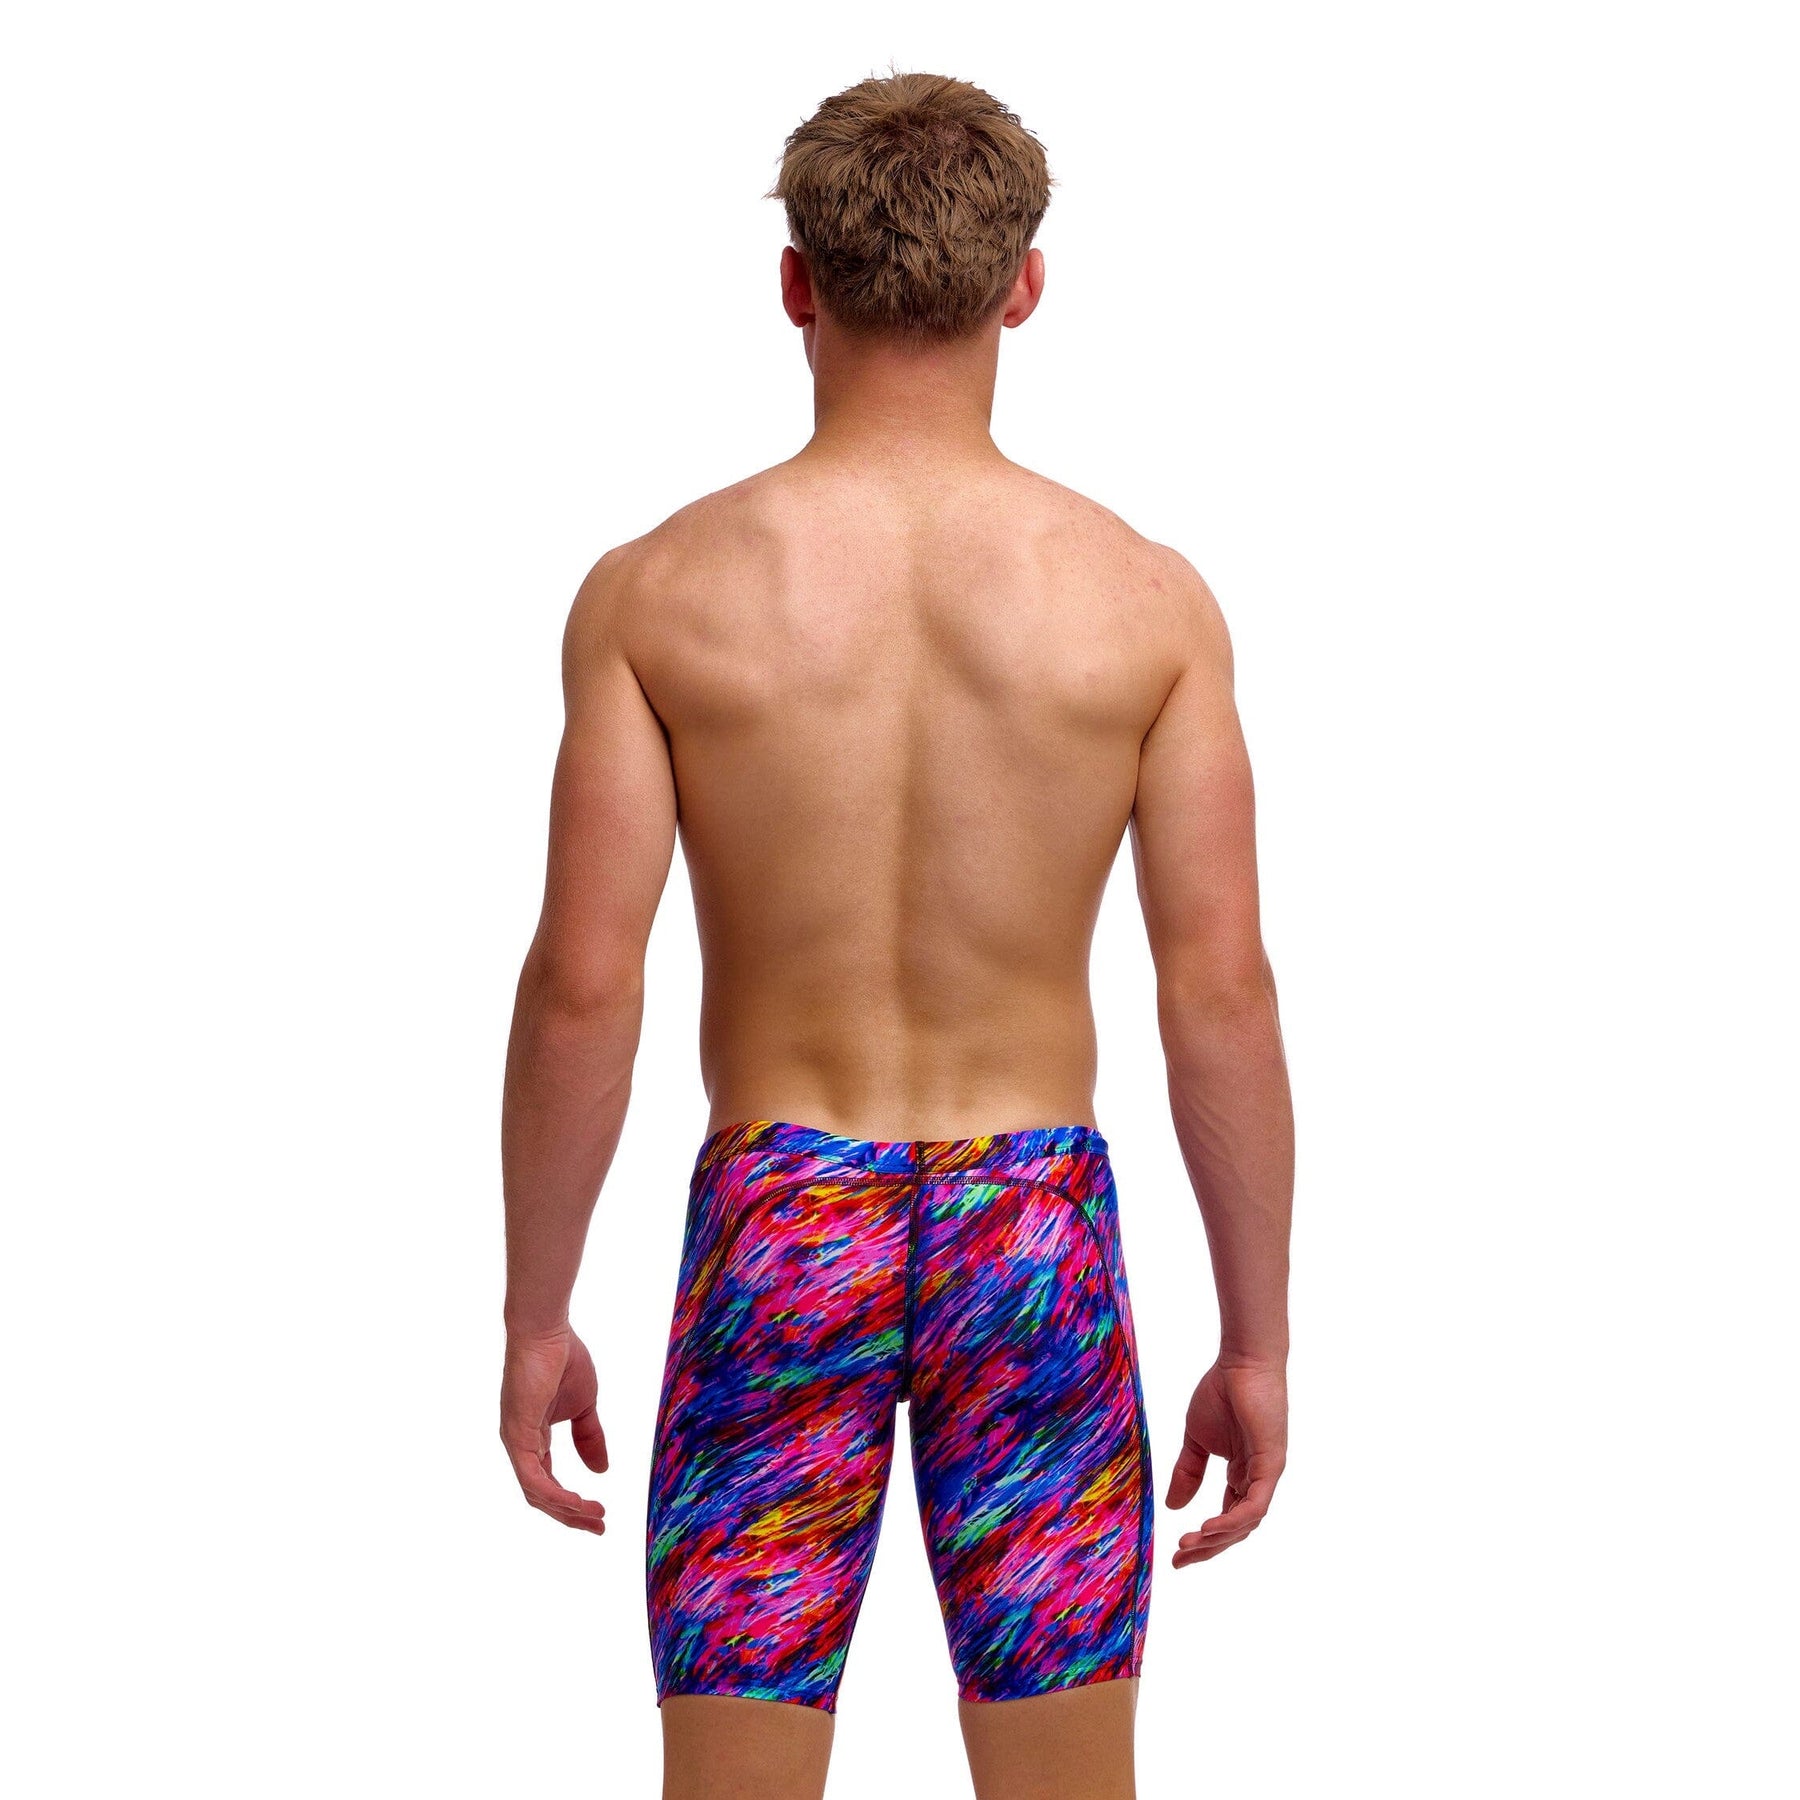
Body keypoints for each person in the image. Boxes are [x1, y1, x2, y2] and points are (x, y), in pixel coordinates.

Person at [499, 71, 1294, 1800]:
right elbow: (1218, 991)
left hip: (786, 1227)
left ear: (796, 282)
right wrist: (1256, 1342)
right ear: (1026, 286)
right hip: (1032, 1236)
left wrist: (535, 1312)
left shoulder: (660, 593)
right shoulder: (1147, 603)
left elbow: (585, 984)